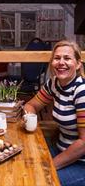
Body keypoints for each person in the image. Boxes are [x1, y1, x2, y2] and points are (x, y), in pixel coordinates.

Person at [23, 40, 85, 186]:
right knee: (24, 164)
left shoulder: (81, 91)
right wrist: (30, 120)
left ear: (78, 64)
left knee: (36, 180)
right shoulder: (54, 83)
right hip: (60, 149)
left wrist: (49, 165)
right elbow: (31, 105)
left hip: (80, 162)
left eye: (67, 58)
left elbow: (83, 143)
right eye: (57, 58)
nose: (61, 62)